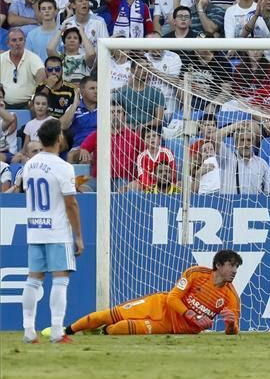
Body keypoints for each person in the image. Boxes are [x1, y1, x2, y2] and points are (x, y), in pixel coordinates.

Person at [57, 250, 242, 336]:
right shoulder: (196, 273)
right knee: (107, 315)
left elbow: (233, 332)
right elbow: (172, 298)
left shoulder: (231, 296)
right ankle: (66, 331)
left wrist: (231, 325)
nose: (234, 271)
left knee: (119, 329)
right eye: (231, 265)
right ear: (218, 265)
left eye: (236, 267)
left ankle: (101, 332)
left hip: (172, 328)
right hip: (158, 306)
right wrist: (191, 314)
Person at [21, 119, 83, 344]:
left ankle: (28, 330)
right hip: (56, 230)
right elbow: (71, 204)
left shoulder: (30, 164)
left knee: (33, 280)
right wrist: (78, 235)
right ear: (59, 138)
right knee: (60, 279)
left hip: (35, 228)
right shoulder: (63, 167)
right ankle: (57, 331)